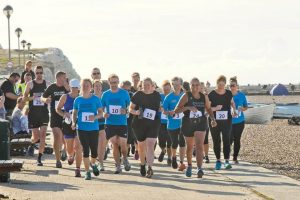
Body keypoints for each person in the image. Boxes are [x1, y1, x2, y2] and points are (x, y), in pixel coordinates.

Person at [175, 77, 217, 178]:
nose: (195, 87)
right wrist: (188, 107)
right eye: (192, 85)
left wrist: (213, 119)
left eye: (196, 85)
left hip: (201, 123)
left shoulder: (204, 97)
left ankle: (199, 168)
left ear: (200, 86)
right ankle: (189, 165)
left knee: (199, 145)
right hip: (188, 123)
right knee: (189, 147)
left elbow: (209, 108)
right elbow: (176, 110)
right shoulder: (186, 96)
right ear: (190, 86)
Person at [130, 77, 161, 178]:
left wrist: (162, 109)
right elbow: (130, 108)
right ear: (142, 85)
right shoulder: (138, 95)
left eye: (148, 84)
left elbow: (159, 107)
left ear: (152, 85)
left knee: (150, 144)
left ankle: (150, 167)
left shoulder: (157, 95)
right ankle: (142, 164)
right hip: (139, 123)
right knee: (141, 146)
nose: (146, 86)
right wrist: (136, 112)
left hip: (153, 123)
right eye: (145, 85)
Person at [72, 78, 102, 180]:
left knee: (94, 152)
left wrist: (95, 117)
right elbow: (75, 113)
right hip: (81, 128)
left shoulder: (96, 99)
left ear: (91, 87)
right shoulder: (78, 99)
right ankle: (87, 172)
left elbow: (101, 113)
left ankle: (93, 164)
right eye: (83, 85)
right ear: (81, 86)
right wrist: (73, 122)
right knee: (85, 149)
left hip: (93, 128)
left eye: (87, 85)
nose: (85, 87)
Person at [101, 74, 131, 174]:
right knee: (114, 144)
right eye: (112, 82)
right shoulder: (105, 94)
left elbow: (130, 106)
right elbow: (101, 108)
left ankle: (125, 158)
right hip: (110, 122)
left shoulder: (124, 93)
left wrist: (125, 110)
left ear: (118, 82)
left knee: (123, 144)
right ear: (108, 82)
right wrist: (104, 113)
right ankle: (118, 166)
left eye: (115, 82)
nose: (113, 84)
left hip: (122, 122)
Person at [208, 75, 237, 170]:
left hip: (226, 121)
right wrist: (215, 108)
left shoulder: (228, 93)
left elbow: (232, 103)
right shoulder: (211, 94)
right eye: (219, 84)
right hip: (214, 121)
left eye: (223, 84)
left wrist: (234, 110)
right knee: (216, 141)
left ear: (225, 84)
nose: (221, 86)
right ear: (216, 84)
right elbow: (207, 108)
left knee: (226, 140)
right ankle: (218, 161)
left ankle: (227, 161)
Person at [56, 79, 83, 177]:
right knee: (70, 148)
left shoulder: (81, 97)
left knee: (78, 146)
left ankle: (78, 169)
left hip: (80, 125)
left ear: (79, 88)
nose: (75, 89)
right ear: (70, 87)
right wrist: (64, 114)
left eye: (76, 87)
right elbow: (58, 109)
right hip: (67, 124)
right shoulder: (65, 97)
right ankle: (70, 155)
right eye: (73, 87)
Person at [42, 71, 69, 168]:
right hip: (55, 115)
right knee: (57, 136)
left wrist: (67, 88)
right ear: (58, 78)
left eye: (65, 78)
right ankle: (58, 160)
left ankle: (65, 150)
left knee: (66, 138)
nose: (65, 80)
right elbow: (43, 97)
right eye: (63, 78)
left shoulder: (66, 87)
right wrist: (46, 100)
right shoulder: (52, 87)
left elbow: (74, 95)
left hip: (66, 115)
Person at [23, 66, 50, 165]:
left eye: (40, 73)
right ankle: (31, 144)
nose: (39, 74)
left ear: (42, 73)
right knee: (36, 137)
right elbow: (24, 98)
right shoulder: (30, 84)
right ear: (35, 73)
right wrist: (32, 97)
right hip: (33, 114)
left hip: (43, 113)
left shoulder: (47, 84)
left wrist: (48, 99)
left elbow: (51, 95)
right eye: (37, 73)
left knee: (42, 136)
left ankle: (39, 158)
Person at [163, 77, 186, 171]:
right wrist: (170, 112)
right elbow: (164, 111)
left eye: (177, 84)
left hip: (183, 123)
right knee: (174, 143)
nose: (176, 86)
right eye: (174, 84)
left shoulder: (185, 96)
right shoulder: (168, 97)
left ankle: (181, 162)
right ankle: (173, 157)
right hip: (172, 124)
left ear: (181, 85)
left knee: (182, 142)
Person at [229, 76, 248, 164]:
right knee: (229, 139)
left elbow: (246, 107)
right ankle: (227, 156)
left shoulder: (241, 95)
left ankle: (235, 157)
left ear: (237, 86)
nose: (232, 87)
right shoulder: (227, 95)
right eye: (230, 85)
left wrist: (241, 109)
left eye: (233, 85)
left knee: (237, 139)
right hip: (229, 122)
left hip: (239, 122)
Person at [92, 80, 107, 171]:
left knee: (102, 144)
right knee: (93, 145)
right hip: (91, 124)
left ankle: (100, 163)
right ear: (93, 87)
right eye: (96, 86)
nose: (98, 88)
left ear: (101, 87)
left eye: (99, 86)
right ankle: (92, 161)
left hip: (102, 123)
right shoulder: (90, 97)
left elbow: (107, 107)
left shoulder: (104, 96)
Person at [120, 80, 136, 158]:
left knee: (128, 138)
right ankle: (122, 154)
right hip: (118, 119)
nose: (126, 91)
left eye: (127, 90)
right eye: (124, 89)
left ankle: (126, 154)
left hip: (129, 119)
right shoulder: (117, 94)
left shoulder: (132, 95)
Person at [158, 80, 172, 166]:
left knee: (169, 142)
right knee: (161, 141)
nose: (166, 91)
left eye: (168, 89)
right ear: (162, 89)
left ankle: (169, 158)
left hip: (170, 122)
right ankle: (163, 150)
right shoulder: (159, 96)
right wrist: (159, 109)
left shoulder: (173, 96)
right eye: (165, 89)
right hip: (161, 123)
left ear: (170, 88)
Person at [201, 82, 211, 163]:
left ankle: (206, 156)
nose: (200, 89)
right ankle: (200, 154)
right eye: (199, 88)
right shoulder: (193, 97)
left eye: (202, 88)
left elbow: (209, 108)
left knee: (205, 140)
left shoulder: (206, 97)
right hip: (194, 122)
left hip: (204, 121)